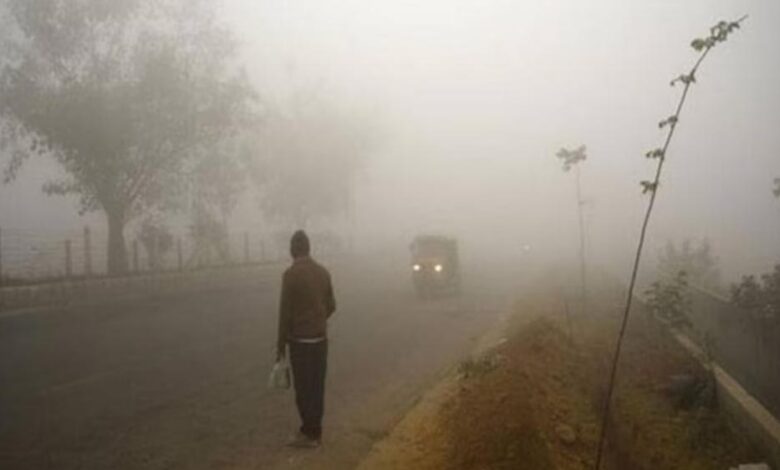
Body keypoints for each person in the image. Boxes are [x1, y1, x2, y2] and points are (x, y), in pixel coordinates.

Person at [276, 230, 336, 448]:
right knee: (317, 387)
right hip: (320, 340)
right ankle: (315, 431)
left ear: (293, 250)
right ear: (309, 248)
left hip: (300, 342)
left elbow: (285, 313)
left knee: (303, 389)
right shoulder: (323, 272)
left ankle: (308, 432)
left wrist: (280, 345)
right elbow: (332, 305)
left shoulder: (290, 275)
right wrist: (318, 319)